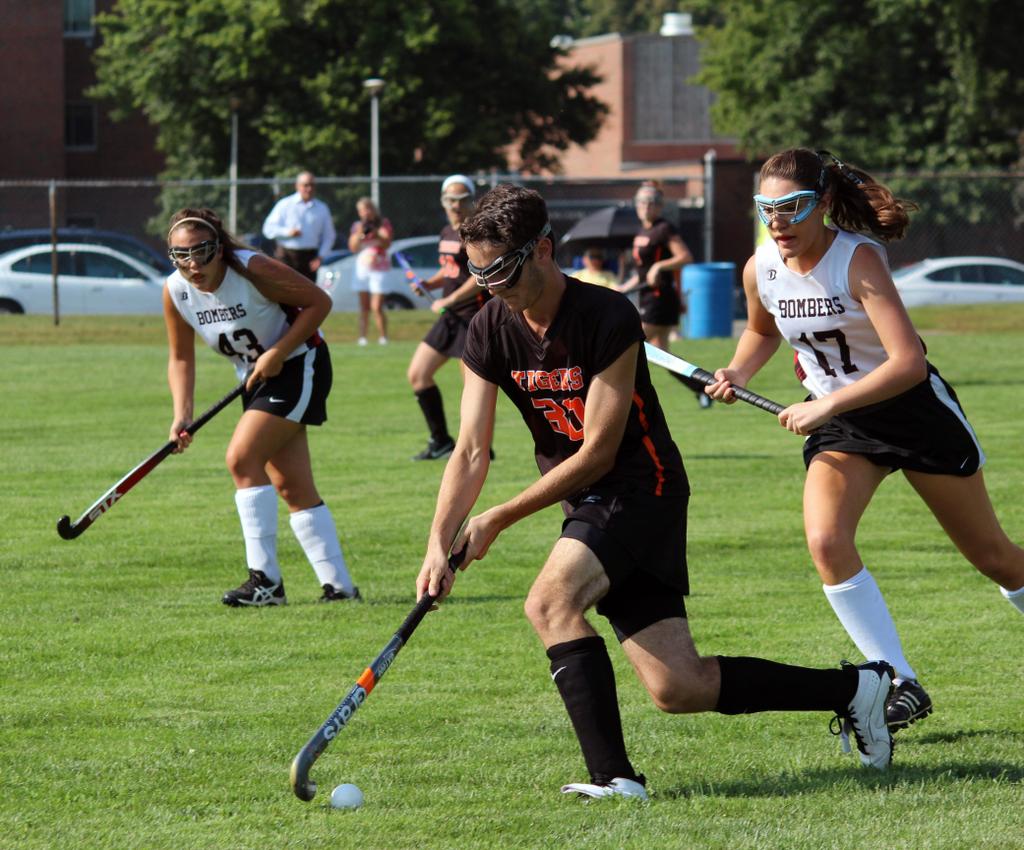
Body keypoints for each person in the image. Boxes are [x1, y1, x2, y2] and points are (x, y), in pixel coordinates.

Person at [415, 184, 896, 801]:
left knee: (549, 604)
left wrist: (499, 518)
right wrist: (438, 543)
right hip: (587, 501)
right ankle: (857, 692)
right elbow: (471, 451)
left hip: (642, 489)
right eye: (479, 274)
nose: (490, 287)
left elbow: (599, 452)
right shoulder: (488, 327)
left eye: (501, 270)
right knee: (680, 688)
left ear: (542, 250)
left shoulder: (608, 315)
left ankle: (614, 779)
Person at [706, 148, 1024, 731]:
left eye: (793, 207)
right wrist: (738, 372)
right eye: (767, 209)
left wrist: (826, 402)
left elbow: (906, 362)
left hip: (912, 414)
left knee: (995, 558)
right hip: (845, 426)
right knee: (826, 541)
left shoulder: (858, 260)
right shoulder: (761, 268)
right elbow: (759, 331)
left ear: (823, 203)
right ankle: (900, 681)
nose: (779, 221)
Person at [164, 207, 360, 606]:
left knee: (241, 458)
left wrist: (278, 351)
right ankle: (340, 588)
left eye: (201, 252)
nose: (192, 265)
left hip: (300, 363)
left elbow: (318, 302)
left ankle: (265, 582)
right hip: (255, 378)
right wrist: (181, 414)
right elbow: (181, 357)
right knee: (292, 485)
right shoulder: (175, 291)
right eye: (181, 255)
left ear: (219, 248)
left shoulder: (252, 269)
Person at [406, 174, 489, 461]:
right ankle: (441, 441)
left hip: (473, 317)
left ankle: (478, 447)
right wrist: (429, 284)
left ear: (472, 200)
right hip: (450, 316)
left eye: (462, 199)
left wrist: (449, 298)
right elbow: (451, 270)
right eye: (450, 200)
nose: (456, 205)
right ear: (443, 202)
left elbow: (479, 277)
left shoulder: (476, 232)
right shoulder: (446, 232)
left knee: (473, 389)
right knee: (418, 374)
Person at [617, 181, 710, 409]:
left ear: (659, 207)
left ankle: (624, 399)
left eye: (651, 202)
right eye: (642, 201)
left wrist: (660, 267)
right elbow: (642, 273)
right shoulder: (642, 231)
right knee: (661, 355)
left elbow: (685, 257)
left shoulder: (664, 229)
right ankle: (704, 386)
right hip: (649, 297)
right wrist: (622, 289)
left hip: (661, 299)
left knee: (629, 346)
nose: (646, 206)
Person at [261, 171, 337, 281]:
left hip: (310, 259)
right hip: (286, 257)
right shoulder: (285, 204)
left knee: (307, 296)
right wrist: (287, 232)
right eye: (305, 185)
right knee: (285, 294)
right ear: (297, 186)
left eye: (312, 185)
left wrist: (320, 257)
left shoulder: (322, 208)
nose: (309, 189)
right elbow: (268, 229)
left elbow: (329, 236)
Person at [347, 196, 394, 346]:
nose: (365, 213)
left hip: (379, 268)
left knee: (376, 306)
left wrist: (376, 232)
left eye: (368, 209)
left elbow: (387, 243)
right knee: (364, 307)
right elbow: (353, 247)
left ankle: (383, 337)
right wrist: (360, 233)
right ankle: (363, 338)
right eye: (362, 210)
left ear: (373, 209)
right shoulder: (357, 226)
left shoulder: (383, 224)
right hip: (362, 268)